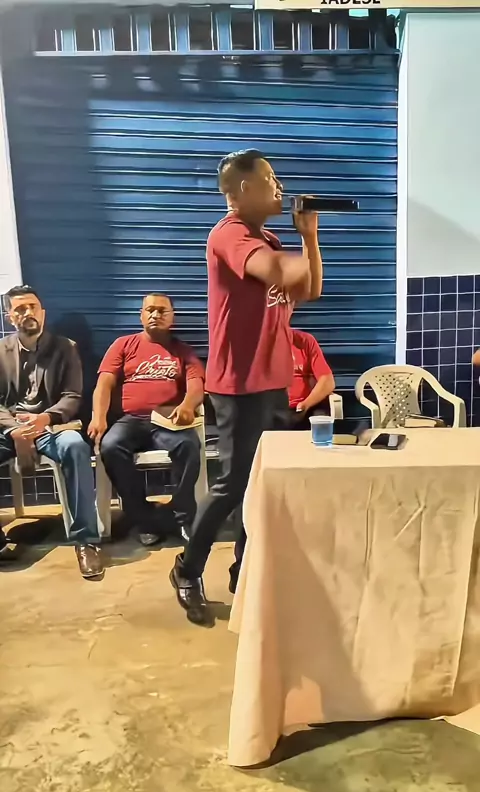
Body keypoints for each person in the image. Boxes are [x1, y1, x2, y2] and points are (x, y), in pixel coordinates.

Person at [170, 149, 323, 626]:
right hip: (238, 385)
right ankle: (186, 569)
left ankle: (244, 573)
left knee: (263, 483)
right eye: (270, 178)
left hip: (272, 383)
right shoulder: (230, 234)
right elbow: (279, 273)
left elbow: (310, 289)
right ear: (243, 189)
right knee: (232, 484)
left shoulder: (269, 238)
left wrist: (309, 236)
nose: (280, 187)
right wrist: (300, 249)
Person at [0, 285, 103, 579]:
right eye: (20, 309)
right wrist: (13, 428)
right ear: (9, 317)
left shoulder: (66, 348)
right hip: (10, 427)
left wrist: (44, 418)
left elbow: (72, 396)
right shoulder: (0, 351)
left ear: (43, 313)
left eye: (33, 307)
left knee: (75, 446)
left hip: (51, 426)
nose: (28, 313)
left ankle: (86, 541)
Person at [88, 293, 204, 545]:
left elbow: (196, 385)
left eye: (162, 311)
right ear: (141, 315)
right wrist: (99, 417)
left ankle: (183, 517)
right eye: (150, 310)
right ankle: (143, 519)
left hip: (167, 421)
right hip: (130, 420)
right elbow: (104, 384)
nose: (155, 315)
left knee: (189, 445)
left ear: (172, 318)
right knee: (110, 446)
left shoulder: (183, 351)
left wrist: (187, 405)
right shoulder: (123, 344)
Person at [287, 328, 335, 427]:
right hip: (273, 411)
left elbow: (327, 381)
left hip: (307, 407)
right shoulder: (259, 345)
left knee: (321, 421)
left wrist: (306, 404)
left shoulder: (305, 341)